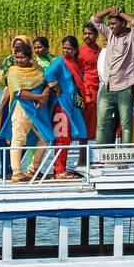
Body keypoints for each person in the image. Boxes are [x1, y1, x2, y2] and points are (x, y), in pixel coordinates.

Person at [0, 42, 55, 182]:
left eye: (22, 57)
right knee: (18, 139)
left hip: (38, 110)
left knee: (45, 137)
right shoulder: (13, 71)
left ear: (29, 57)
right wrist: (39, 97)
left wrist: (45, 94)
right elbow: (18, 92)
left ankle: (33, 168)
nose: (19, 60)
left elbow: (48, 83)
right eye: (17, 57)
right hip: (21, 108)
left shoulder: (37, 69)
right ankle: (16, 172)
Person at [92, 7, 134, 146]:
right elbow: (95, 19)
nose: (111, 26)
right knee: (101, 123)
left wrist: (120, 13)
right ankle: (100, 156)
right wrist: (109, 11)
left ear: (123, 24)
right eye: (110, 24)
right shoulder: (110, 34)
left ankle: (126, 156)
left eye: (114, 23)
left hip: (125, 86)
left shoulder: (131, 37)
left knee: (126, 124)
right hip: (108, 86)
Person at [43, 35, 88, 180]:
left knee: (66, 138)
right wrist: (54, 84)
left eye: (69, 49)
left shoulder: (73, 63)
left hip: (70, 104)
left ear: (75, 50)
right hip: (61, 105)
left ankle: (61, 169)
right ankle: (59, 170)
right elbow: (48, 72)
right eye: (64, 48)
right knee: (61, 138)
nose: (66, 51)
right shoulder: (60, 61)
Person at [78, 23, 101, 158]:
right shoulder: (80, 52)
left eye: (90, 34)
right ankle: (83, 159)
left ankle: (100, 157)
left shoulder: (100, 51)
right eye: (85, 33)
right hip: (87, 91)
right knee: (85, 126)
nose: (87, 36)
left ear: (96, 35)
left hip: (100, 90)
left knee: (101, 124)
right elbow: (77, 72)